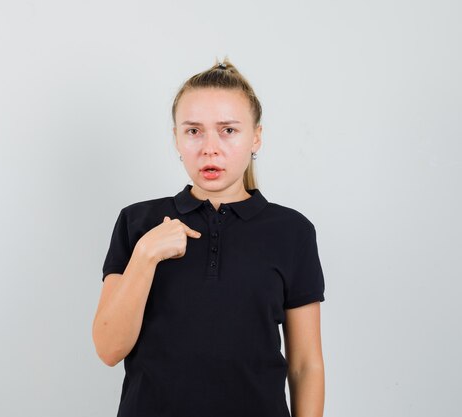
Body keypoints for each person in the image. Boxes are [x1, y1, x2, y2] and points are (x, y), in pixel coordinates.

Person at [92, 57, 326, 417]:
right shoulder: (137, 221)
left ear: (256, 138)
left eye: (228, 130)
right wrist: (145, 255)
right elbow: (109, 349)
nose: (209, 148)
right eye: (193, 130)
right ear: (176, 138)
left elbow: (305, 365)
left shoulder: (292, 231)